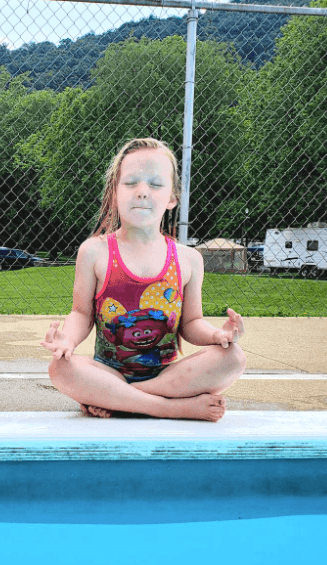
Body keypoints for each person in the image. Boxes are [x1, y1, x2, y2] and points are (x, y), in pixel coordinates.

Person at [41, 138, 245, 422]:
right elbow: (81, 313)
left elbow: (191, 323)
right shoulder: (94, 251)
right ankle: (168, 407)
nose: (142, 192)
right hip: (108, 373)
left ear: (172, 198)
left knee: (233, 358)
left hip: (167, 376)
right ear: (114, 193)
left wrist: (216, 336)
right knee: (60, 368)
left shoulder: (188, 259)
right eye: (131, 183)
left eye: (155, 184)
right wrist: (68, 341)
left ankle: (121, 399)